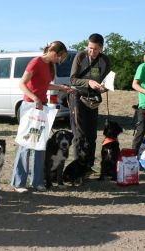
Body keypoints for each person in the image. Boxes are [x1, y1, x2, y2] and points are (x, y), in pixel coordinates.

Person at [11, 41, 73, 193]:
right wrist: (35, 98)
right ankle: (19, 183)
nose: (59, 60)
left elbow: (43, 85)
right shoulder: (36, 62)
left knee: (40, 145)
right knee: (26, 145)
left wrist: (60, 87)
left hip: (42, 108)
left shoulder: (49, 66)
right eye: (59, 56)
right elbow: (22, 84)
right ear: (53, 52)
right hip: (30, 107)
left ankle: (37, 181)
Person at [69, 33, 111, 177]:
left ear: (101, 48)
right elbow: (73, 79)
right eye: (90, 48)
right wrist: (89, 82)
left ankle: (89, 165)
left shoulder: (105, 60)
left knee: (91, 134)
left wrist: (103, 87)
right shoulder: (80, 57)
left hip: (93, 99)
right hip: (78, 97)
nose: (91, 52)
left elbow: (106, 81)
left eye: (95, 49)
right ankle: (78, 166)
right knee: (79, 134)